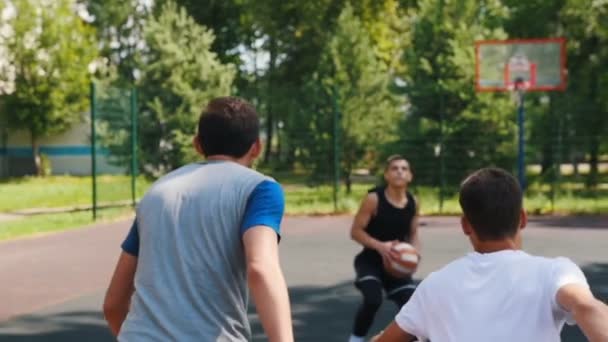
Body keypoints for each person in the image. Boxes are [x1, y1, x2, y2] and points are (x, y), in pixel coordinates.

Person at [103, 97, 294, 342]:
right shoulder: (260, 189)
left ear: (197, 145)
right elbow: (260, 268)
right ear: (257, 146)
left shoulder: (157, 192)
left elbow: (113, 304)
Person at [374, 167, 608, 342]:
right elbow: (588, 308)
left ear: (465, 225)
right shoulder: (555, 272)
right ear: (522, 218)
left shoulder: (434, 286)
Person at [348, 155, 421, 342]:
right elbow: (356, 231)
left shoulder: (414, 202)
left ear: (410, 176)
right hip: (370, 261)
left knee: (413, 306)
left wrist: (415, 255)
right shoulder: (374, 199)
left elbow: (413, 234)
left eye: (404, 168)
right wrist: (380, 246)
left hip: (397, 266)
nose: (399, 171)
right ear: (386, 175)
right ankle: (356, 339)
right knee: (373, 299)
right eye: (394, 168)